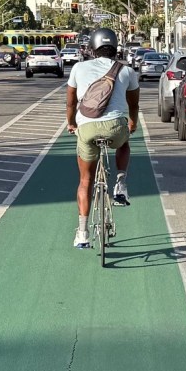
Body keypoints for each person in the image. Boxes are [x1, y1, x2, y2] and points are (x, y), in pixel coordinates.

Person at [66, 27, 139, 249]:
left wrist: (71, 123)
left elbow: (70, 103)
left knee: (85, 181)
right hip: (115, 128)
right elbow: (133, 105)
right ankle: (120, 183)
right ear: (115, 47)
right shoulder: (126, 71)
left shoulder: (78, 68)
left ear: (92, 48)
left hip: (86, 128)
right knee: (124, 141)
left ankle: (82, 233)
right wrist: (132, 123)